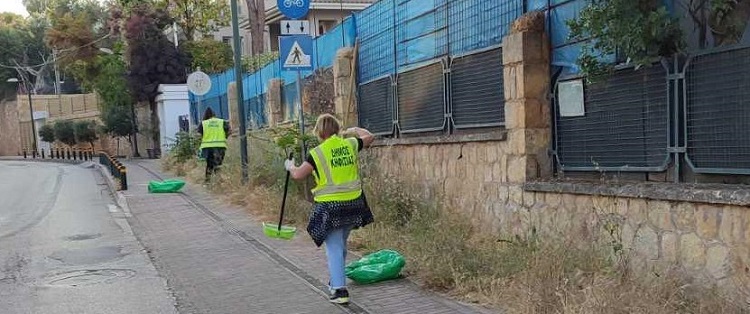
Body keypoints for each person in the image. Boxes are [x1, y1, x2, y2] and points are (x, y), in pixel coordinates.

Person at [285, 114, 375, 304]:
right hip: (354, 203)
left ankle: (340, 291)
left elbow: (299, 175)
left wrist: (290, 166)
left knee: (334, 247)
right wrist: (352, 130)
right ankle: (336, 279)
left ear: (319, 131)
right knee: (340, 244)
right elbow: (369, 136)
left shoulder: (317, 153)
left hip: (331, 206)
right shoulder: (349, 144)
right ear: (337, 128)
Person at [197, 108, 230, 183]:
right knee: (218, 164)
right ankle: (218, 181)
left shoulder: (204, 123)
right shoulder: (222, 122)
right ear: (214, 115)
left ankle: (207, 181)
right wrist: (225, 137)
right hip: (220, 146)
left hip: (207, 147)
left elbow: (198, 135)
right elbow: (228, 131)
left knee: (209, 164)